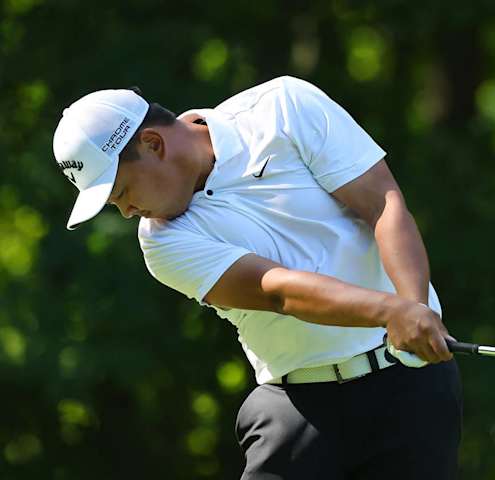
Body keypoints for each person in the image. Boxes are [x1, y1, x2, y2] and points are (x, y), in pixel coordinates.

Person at [52, 76, 462, 479]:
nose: (125, 212)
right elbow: (279, 290)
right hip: (300, 408)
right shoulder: (162, 244)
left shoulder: (282, 106)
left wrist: (416, 309)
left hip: (410, 389)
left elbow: (382, 204)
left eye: (121, 192)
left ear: (153, 144)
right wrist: (394, 311)